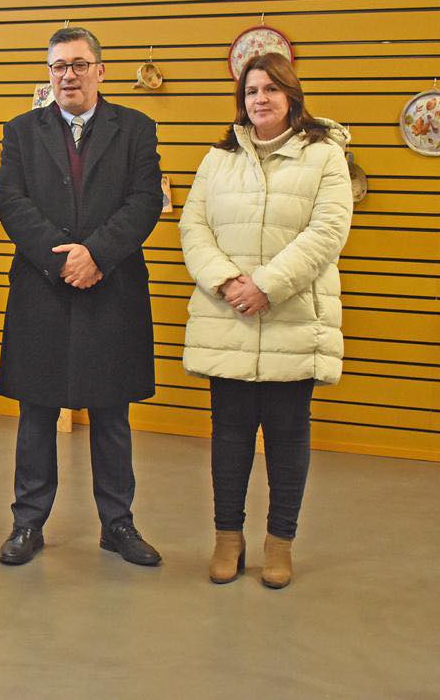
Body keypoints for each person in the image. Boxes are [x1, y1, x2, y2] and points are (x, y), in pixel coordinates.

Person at [179, 52, 352, 589]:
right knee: (229, 437)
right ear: (242, 99)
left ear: (291, 95)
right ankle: (227, 540)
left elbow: (327, 232)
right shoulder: (218, 159)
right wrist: (229, 282)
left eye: (272, 89)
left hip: (293, 318)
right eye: (252, 90)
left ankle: (280, 545)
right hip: (227, 315)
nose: (261, 99)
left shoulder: (325, 155)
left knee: (287, 438)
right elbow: (193, 227)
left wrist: (267, 286)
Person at [0, 26, 164, 568]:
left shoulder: (136, 128)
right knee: (36, 411)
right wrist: (62, 259)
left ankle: (118, 524)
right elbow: (12, 201)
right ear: (49, 74)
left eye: (78, 64)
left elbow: (144, 201)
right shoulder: (20, 131)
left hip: (111, 286)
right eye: (58, 66)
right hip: (42, 287)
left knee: (111, 414)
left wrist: (96, 255)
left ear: (100, 71)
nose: (67, 75)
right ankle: (28, 522)